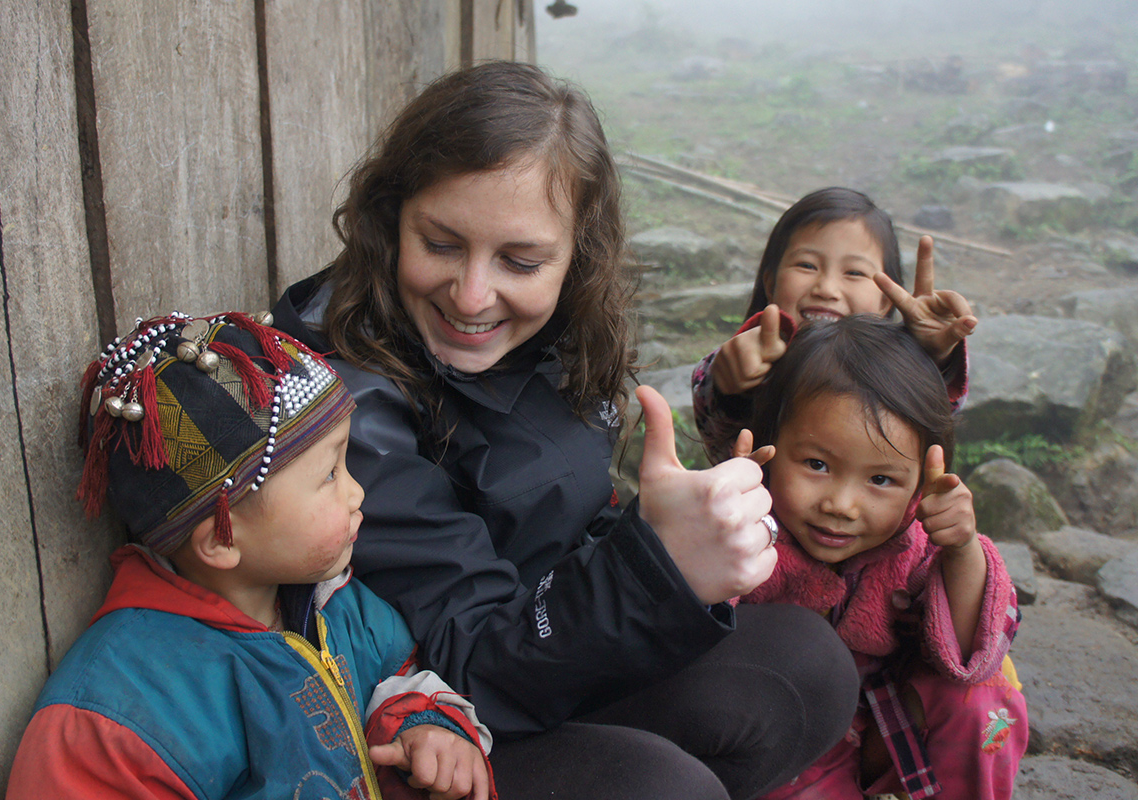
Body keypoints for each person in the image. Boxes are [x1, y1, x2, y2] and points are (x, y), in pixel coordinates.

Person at [271, 60, 860, 800]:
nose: (473, 294)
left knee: (807, 668)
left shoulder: (551, 339)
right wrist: (658, 569)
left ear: (577, 255)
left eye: (520, 260)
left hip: (532, 657)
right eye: (442, 244)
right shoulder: (344, 400)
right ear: (391, 219)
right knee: (667, 791)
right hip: (414, 722)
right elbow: (468, 658)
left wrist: (661, 536)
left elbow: (557, 538)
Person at [6, 312, 494, 800]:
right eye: (329, 475)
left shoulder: (340, 606)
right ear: (222, 539)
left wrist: (429, 730)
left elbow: (397, 680)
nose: (357, 491)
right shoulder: (116, 716)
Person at [734, 314, 1026, 800]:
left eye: (880, 480)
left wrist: (961, 550)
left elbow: (974, 645)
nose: (841, 505)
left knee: (988, 696)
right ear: (770, 443)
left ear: (920, 483)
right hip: (792, 738)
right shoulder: (748, 528)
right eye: (817, 464)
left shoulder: (915, 541)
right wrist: (721, 527)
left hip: (891, 722)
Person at [692, 187, 978, 465]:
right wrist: (728, 384)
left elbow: (937, 424)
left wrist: (931, 358)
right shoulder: (754, 366)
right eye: (806, 265)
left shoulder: (893, 376)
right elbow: (715, 427)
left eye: (854, 272)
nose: (827, 288)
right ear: (770, 282)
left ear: (886, 301)